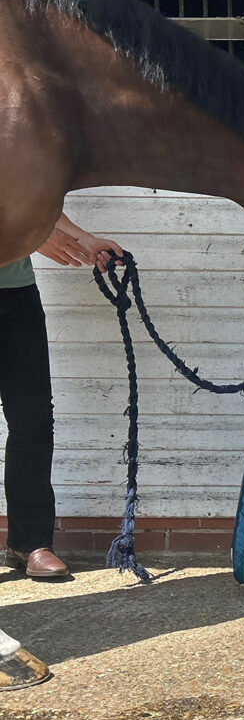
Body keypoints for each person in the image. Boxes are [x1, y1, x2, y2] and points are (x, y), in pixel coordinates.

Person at [2, 214, 124, 579]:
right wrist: (30, 235)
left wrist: (84, 240)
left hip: (16, 292)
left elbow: (36, 201)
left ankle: (29, 542)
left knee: (33, 421)